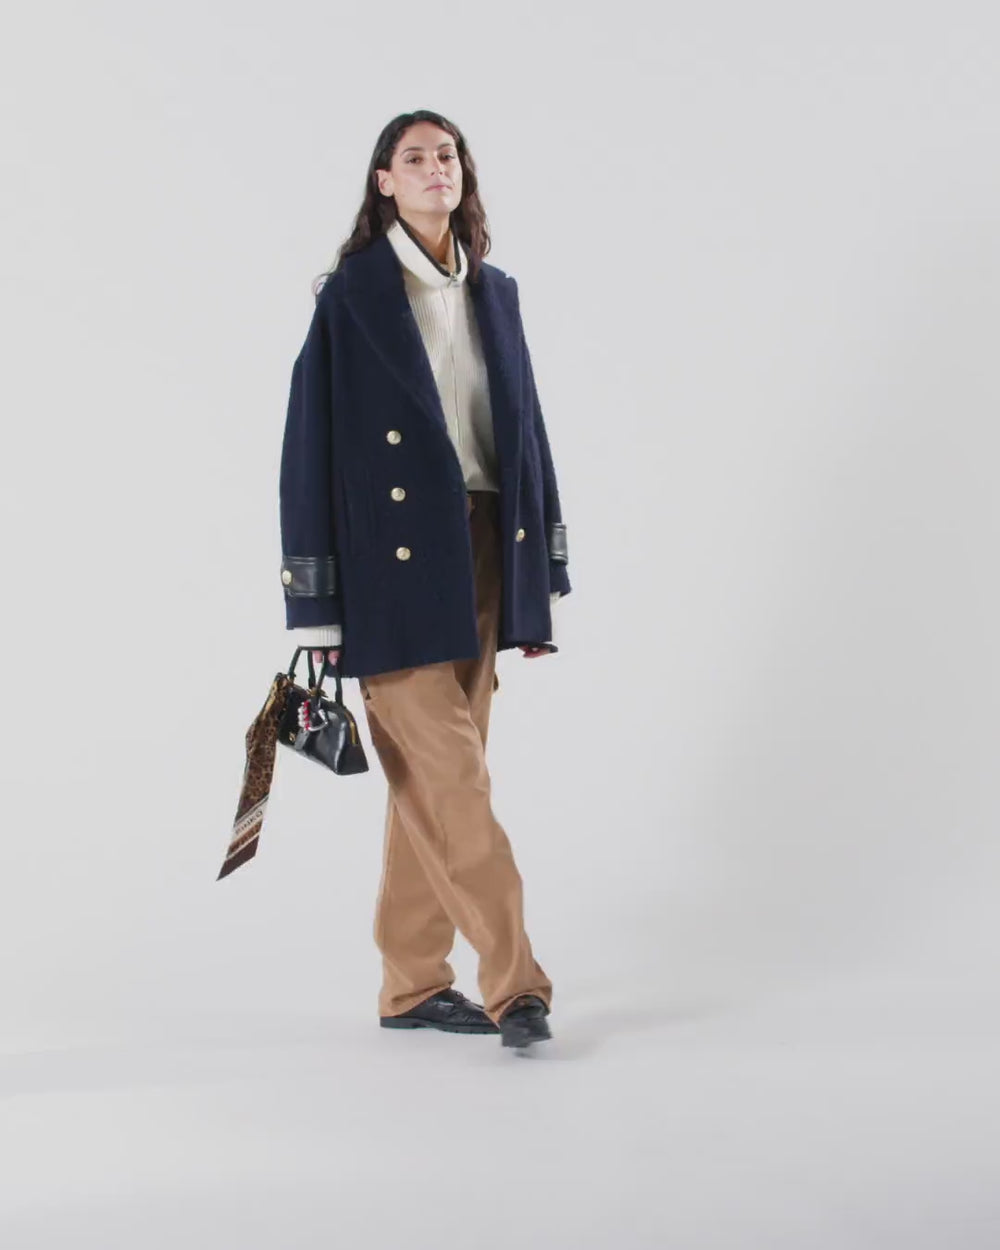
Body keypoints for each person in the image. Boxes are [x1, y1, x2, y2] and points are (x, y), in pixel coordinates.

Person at [278, 110, 572, 1052]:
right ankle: (516, 986)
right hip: (388, 570)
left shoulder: (496, 291)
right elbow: (307, 452)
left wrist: (541, 575)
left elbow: (526, 434)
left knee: (433, 785)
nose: (435, 167)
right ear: (384, 182)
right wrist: (315, 605)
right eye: (415, 158)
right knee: (455, 782)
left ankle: (410, 983)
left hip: (484, 550)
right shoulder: (351, 295)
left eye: (447, 155)